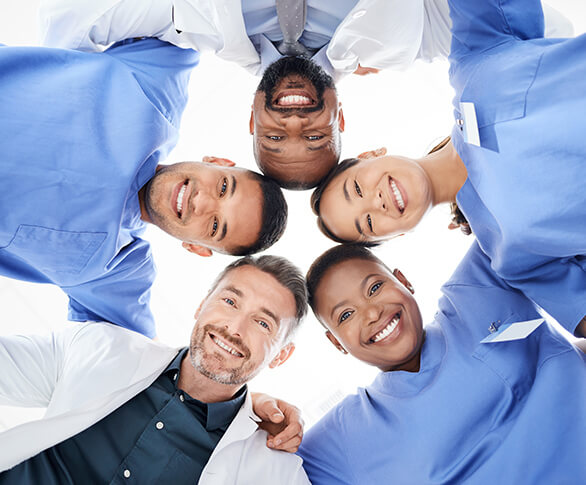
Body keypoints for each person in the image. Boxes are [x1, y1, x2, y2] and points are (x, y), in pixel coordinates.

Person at [38, 0, 571, 189]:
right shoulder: (409, 37)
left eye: (275, 136)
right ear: (343, 121)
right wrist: (468, 146)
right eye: (316, 137)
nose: (296, 121)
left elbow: (69, 19)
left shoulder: (189, 24)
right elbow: (545, 37)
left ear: (252, 121)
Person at [310, 0, 586, 337]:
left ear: (370, 154)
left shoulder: (474, 59)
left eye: (356, 188)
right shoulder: (511, 258)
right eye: (368, 223)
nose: (375, 202)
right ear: (397, 235)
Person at [0, 38, 287, 338]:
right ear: (218, 161)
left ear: (197, 248)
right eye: (224, 187)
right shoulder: (154, 85)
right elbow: (198, 17)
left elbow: (134, 359)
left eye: (215, 225)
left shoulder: (114, 271)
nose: (201, 202)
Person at [0, 255, 310, 484]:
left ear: (281, 355)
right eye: (230, 301)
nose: (235, 328)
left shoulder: (275, 472)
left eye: (262, 323)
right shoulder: (101, 345)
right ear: (201, 305)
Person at [298, 242, 586, 484]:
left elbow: (516, 216)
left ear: (403, 280)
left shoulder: (472, 290)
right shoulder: (344, 435)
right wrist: (257, 404)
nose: (371, 313)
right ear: (337, 343)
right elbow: (261, 466)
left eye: (374, 288)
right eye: (346, 315)